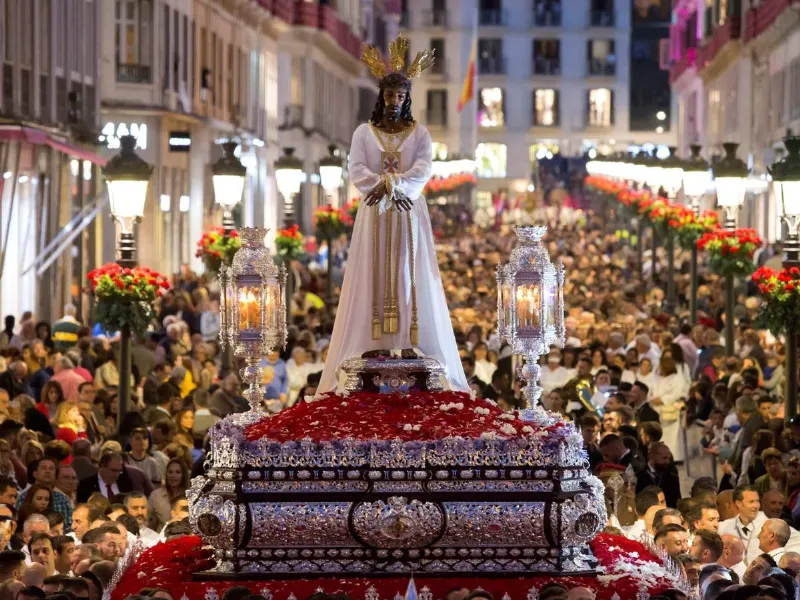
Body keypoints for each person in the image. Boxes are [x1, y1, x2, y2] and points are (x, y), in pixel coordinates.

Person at [318, 38, 468, 394]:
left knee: (407, 270)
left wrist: (396, 188)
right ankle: (374, 338)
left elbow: (423, 167)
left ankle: (407, 337)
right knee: (373, 270)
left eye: (400, 97)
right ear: (381, 97)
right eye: (389, 96)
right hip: (376, 210)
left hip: (406, 210)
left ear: (407, 99)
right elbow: (356, 167)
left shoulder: (420, 134)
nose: (394, 102)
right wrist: (385, 187)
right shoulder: (363, 133)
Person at [719, 485, 768, 565]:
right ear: (738, 503)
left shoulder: (770, 525)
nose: (756, 506)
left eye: (757, 501)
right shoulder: (723, 527)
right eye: (751, 502)